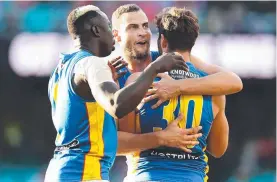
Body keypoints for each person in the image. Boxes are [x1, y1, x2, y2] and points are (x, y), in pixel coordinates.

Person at [44, 5, 188, 182]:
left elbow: (81, 117)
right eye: (107, 27)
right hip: (83, 172)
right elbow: (116, 105)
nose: (112, 34)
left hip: (61, 168)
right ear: (96, 30)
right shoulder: (92, 63)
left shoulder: (62, 68)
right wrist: (154, 69)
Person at [110, 4, 242, 182]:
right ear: (193, 40)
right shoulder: (214, 89)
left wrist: (159, 138)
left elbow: (122, 143)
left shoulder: (136, 82)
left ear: (163, 41)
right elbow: (218, 150)